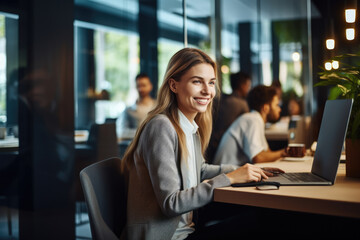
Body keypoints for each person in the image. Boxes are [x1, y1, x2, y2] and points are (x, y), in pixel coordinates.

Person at [120, 48, 281, 240]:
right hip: (168, 236)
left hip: (188, 227)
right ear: (173, 85)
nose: (207, 90)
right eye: (197, 81)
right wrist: (229, 179)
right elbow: (171, 203)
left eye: (211, 82)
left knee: (263, 215)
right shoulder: (161, 126)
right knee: (263, 222)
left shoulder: (189, 126)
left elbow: (200, 170)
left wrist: (243, 171)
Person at [213, 85, 287, 166]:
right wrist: (284, 153)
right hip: (226, 174)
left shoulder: (255, 119)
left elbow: (267, 153)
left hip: (234, 173)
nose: (279, 109)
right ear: (265, 108)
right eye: (276, 105)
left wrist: (285, 153)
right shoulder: (252, 120)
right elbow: (258, 158)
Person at [206, 71, 251, 163]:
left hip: (210, 146)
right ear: (242, 85)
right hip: (227, 150)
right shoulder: (242, 104)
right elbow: (247, 129)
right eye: (248, 85)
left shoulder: (219, 100)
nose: (249, 88)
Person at [116, 73, 156, 139]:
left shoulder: (160, 107)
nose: (141, 89)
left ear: (150, 86)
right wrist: (143, 133)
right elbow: (122, 132)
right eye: (138, 86)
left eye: (144, 85)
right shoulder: (128, 111)